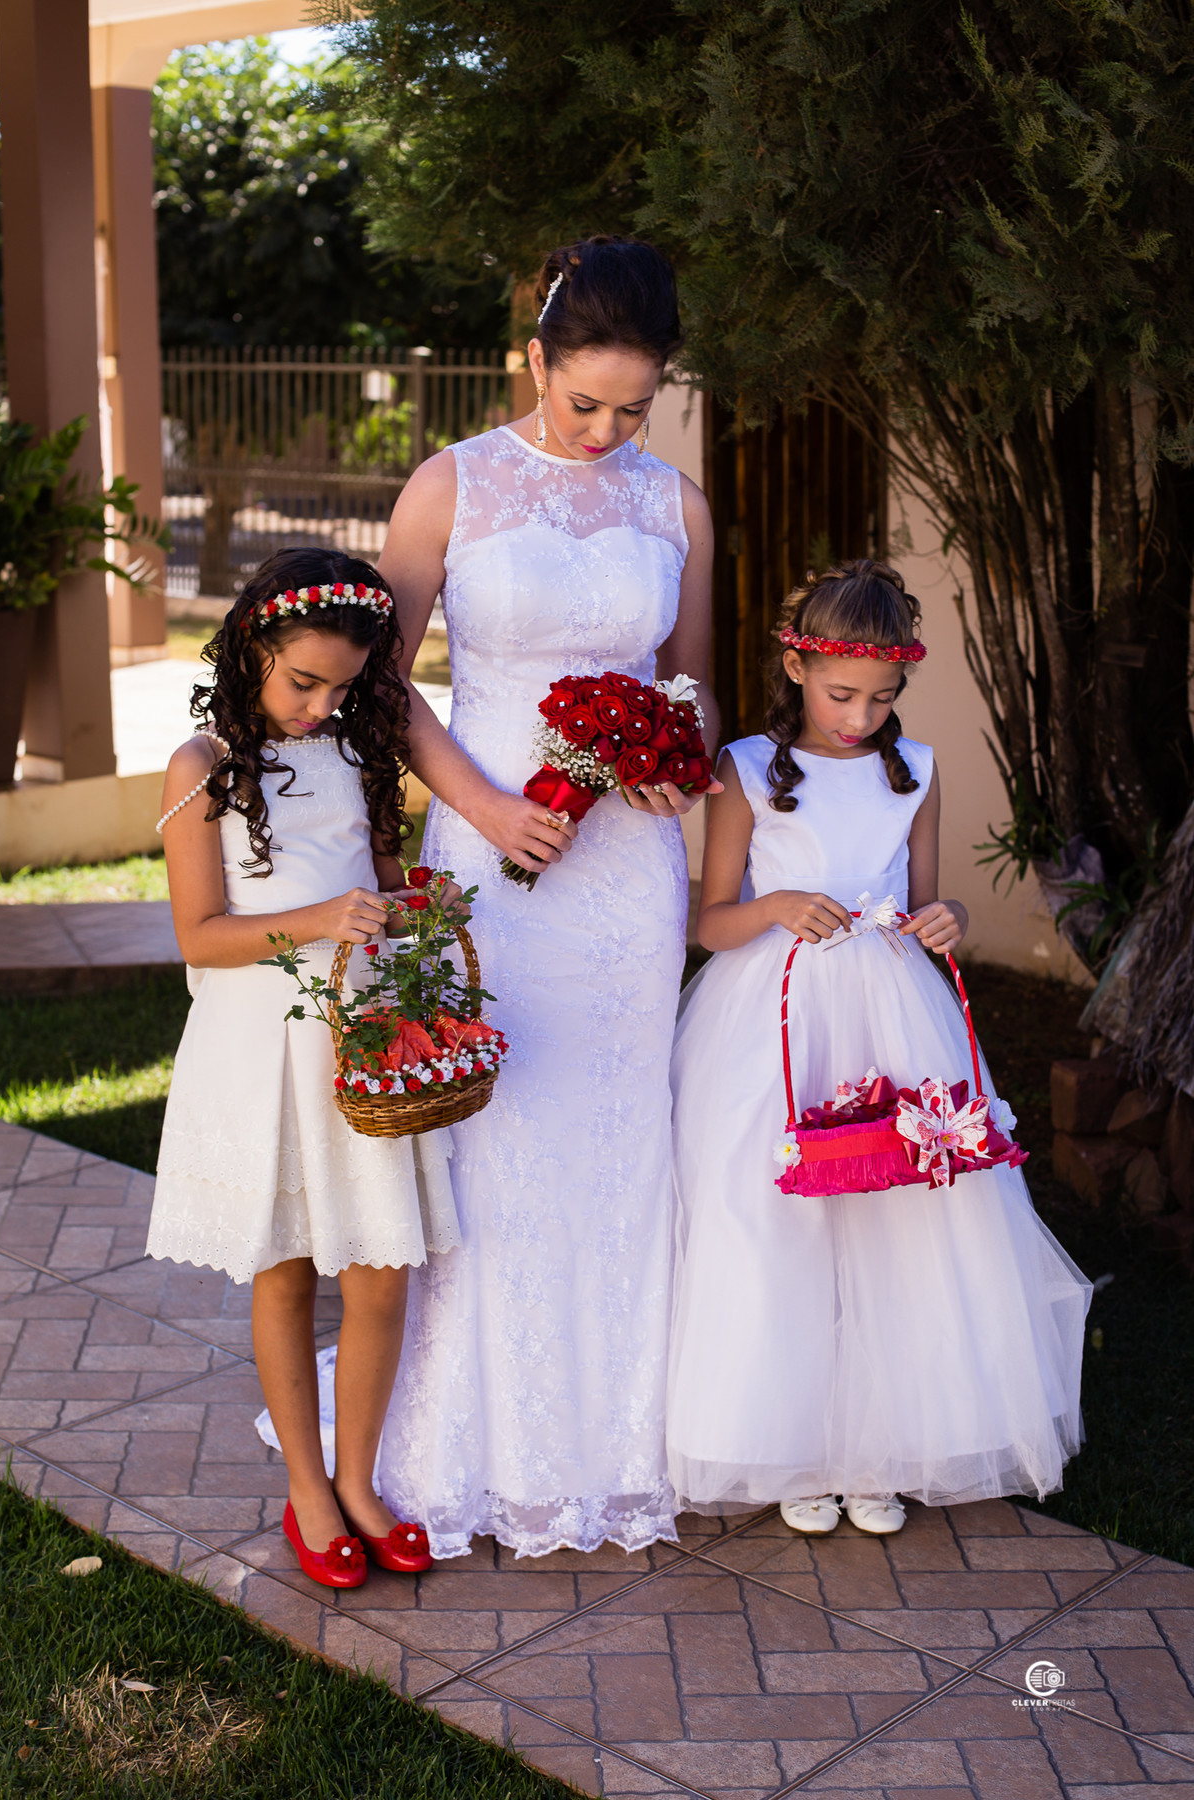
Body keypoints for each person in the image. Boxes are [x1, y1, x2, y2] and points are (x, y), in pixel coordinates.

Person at [365, 235, 719, 1559]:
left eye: (634, 409)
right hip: (490, 860)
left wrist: (677, 770)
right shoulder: (448, 487)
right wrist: (479, 806)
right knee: (494, 1144)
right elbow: (383, 684)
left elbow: (688, 686)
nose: (606, 432)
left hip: (626, 873)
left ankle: (617, 1447)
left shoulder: (671, 502)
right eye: (584, 404)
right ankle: (474, 1441)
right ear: (535, 362)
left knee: (621, 1141)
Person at [666, 560, 1090, 1536]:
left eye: (880, 698)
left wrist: (943, 919)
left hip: (892, 1021)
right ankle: (793, 1447)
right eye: (838, 694)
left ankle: (879, 1446)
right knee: (772, 1221)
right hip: (771, 1021)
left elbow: (930, 896)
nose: (857, 717)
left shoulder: (918, 772)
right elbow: (709, 922)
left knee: (895, 1221)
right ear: (795, 666)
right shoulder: (742, 768)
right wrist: (772, 907)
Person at [148, 548, 459, 1589]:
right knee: (284, 1269)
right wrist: (319, 920)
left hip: (357, 1039)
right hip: (259, 1045)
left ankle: (361, 1479)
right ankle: (308, 1492)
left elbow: (376, 881)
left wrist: (412, 906)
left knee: (379, 1272)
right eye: (303, 682)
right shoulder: (201, 767)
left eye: (343, 686)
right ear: (251, 647)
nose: (322, 705)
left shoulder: (361, 756)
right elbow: (202, 934)